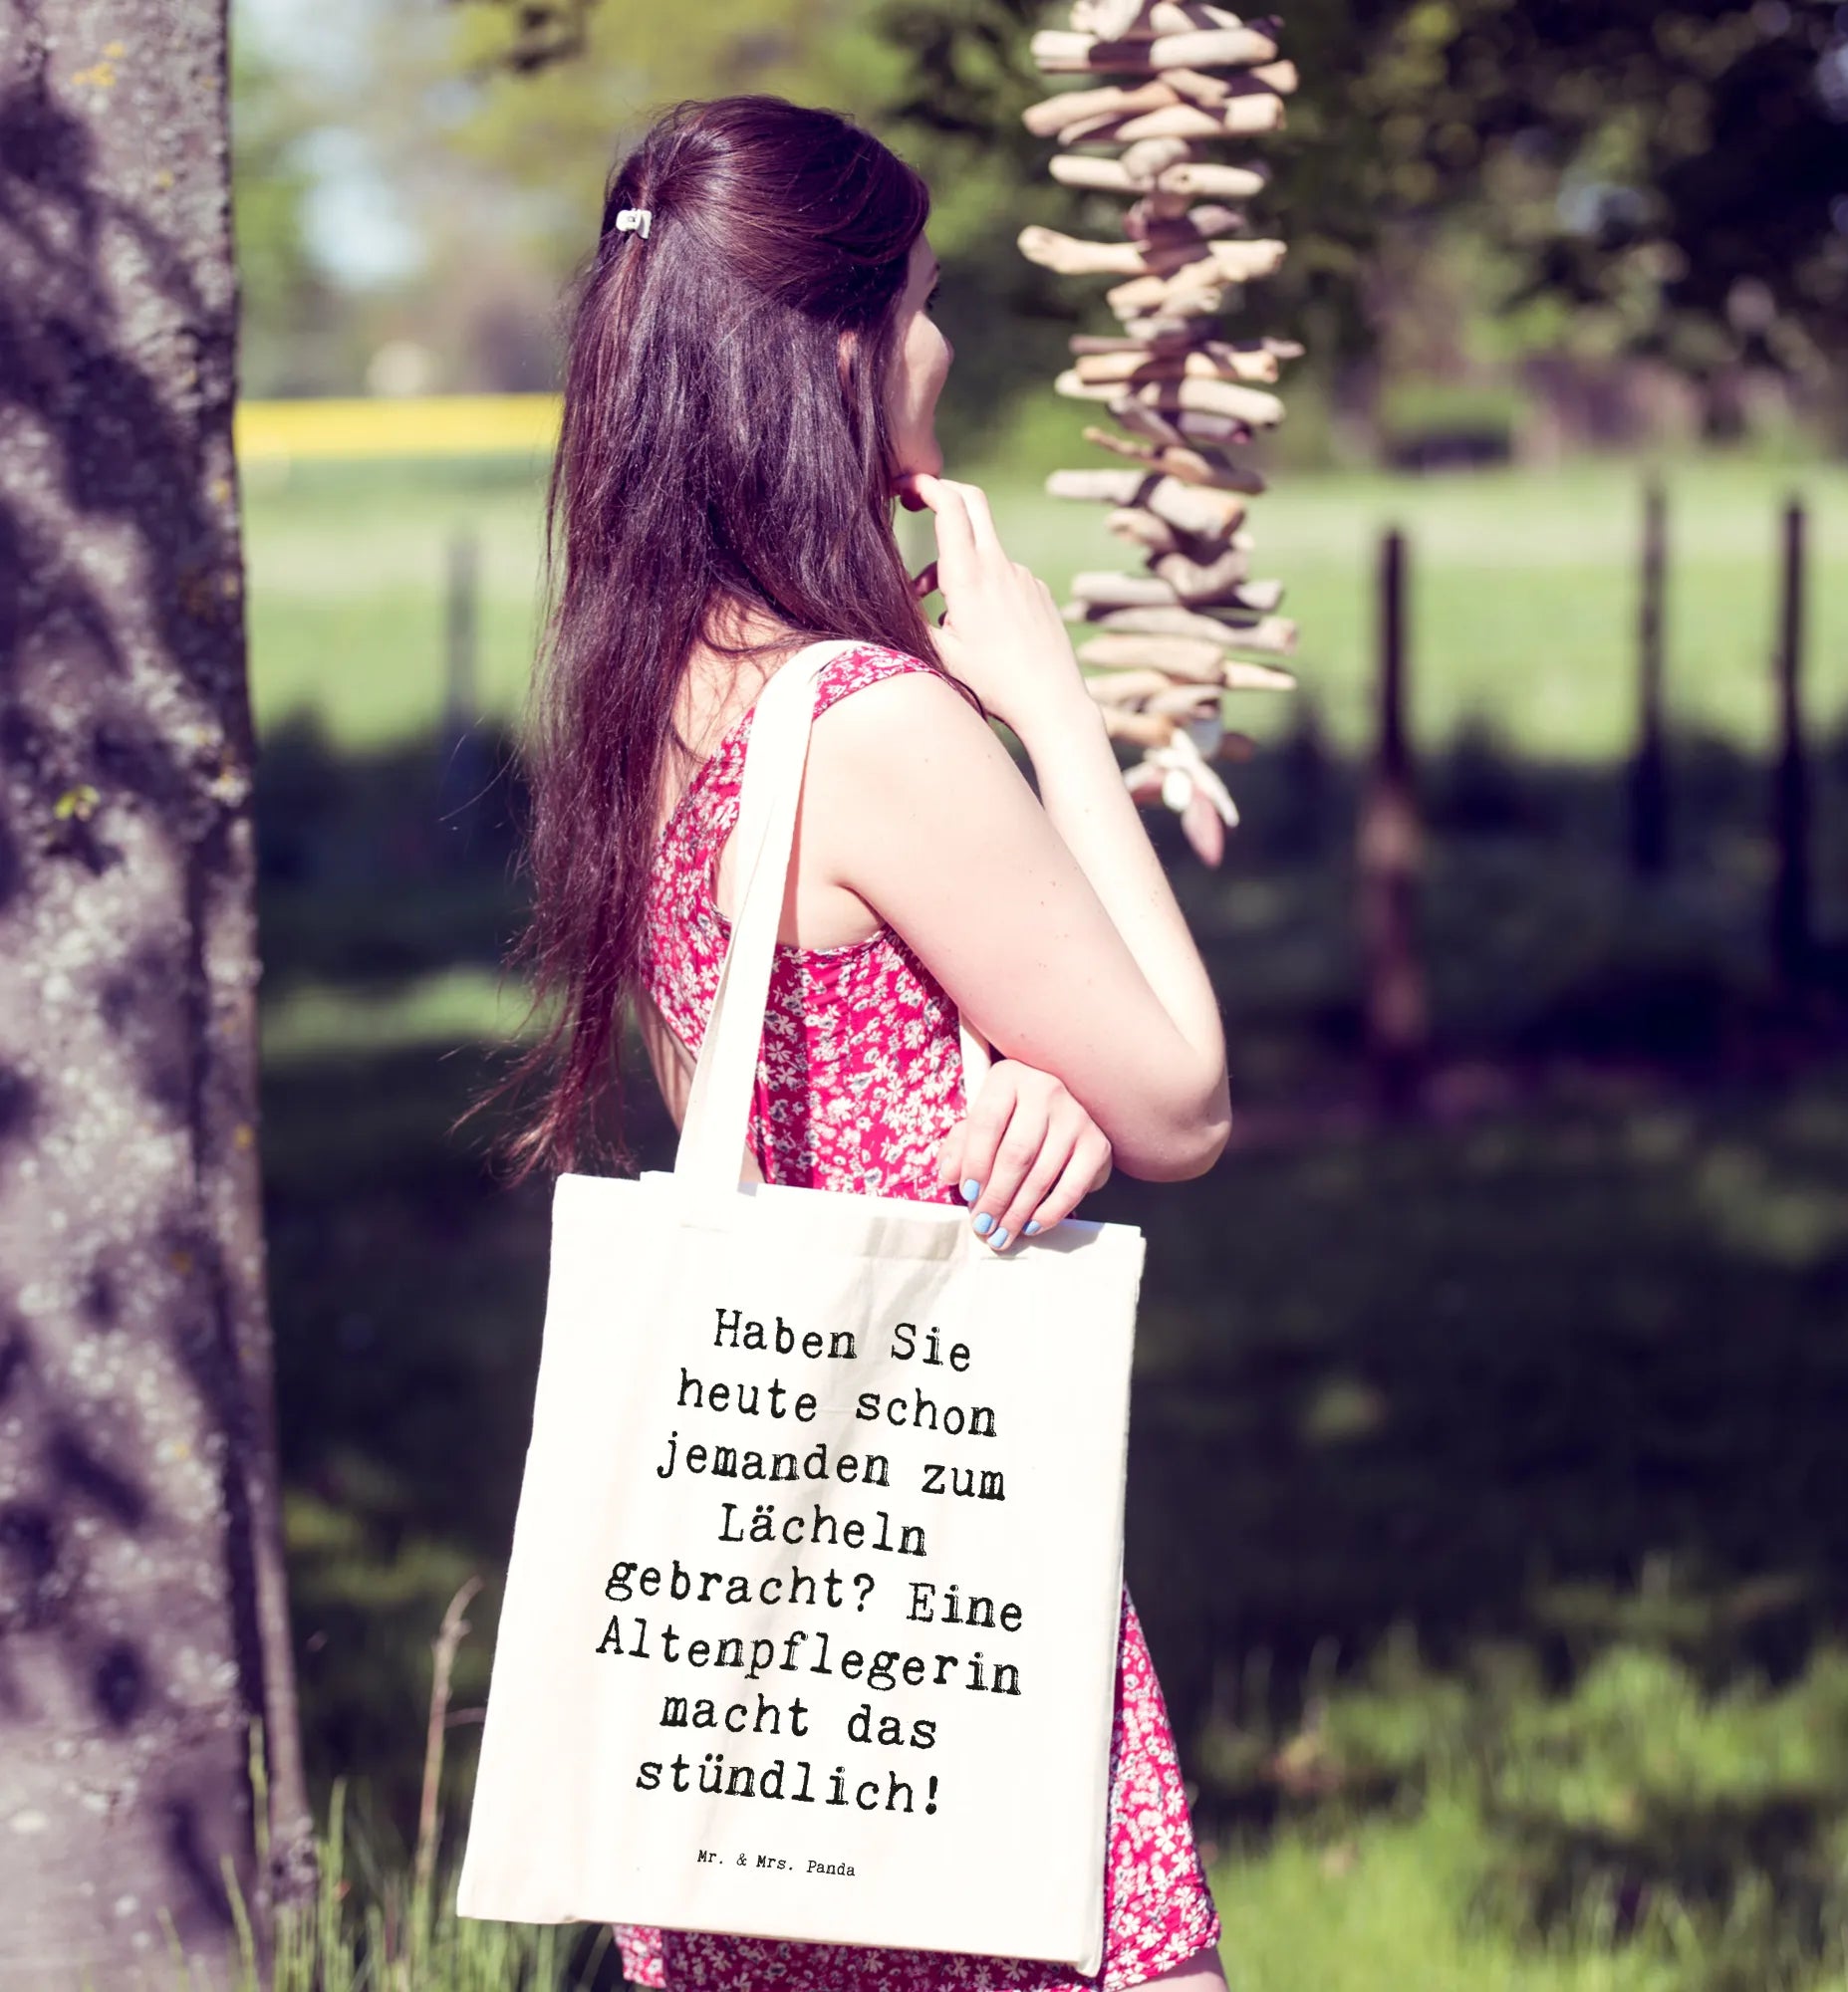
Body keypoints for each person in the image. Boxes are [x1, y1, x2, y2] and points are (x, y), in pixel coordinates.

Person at [501, 93, 1233, 1992]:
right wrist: (1052, 712)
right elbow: (1183, 1097)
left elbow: (776, 1073)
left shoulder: (653, 690)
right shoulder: (874, 725)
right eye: (918, 302)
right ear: (836, 348)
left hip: (759, 1639)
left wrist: (1014, 1074)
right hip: (933, 1601)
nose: (942, 346)